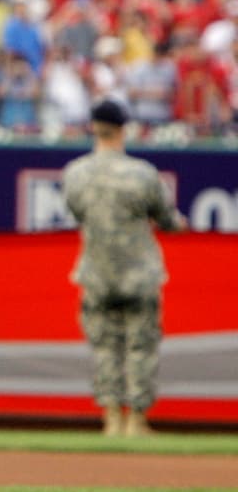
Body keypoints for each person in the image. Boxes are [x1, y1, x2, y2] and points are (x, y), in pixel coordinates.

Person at [61, 99, 187, 438]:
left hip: (97, 273)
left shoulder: (75, 174)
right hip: (139, 274)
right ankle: (137, 420)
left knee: (104, 346)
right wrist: (179, 224)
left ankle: (112, 417)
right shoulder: (142, 174)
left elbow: (76, 212)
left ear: (94, 128)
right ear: (122, 130)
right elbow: (167, 220)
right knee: (140, 346)